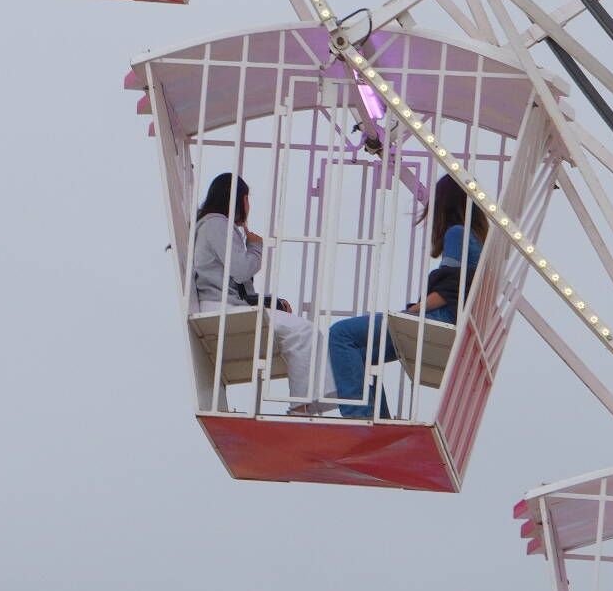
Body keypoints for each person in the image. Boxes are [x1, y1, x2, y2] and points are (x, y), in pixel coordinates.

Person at [328, 177, 488, 421]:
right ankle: (377, 420)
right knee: (358, 356)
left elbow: (451, 289)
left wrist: (414, 311)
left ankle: (357, 418)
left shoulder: (457, 233)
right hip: (458, 325)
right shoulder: (478, 240)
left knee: (341, 335)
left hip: (440, 319)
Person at [192, 173, 331, 416]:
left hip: (222, 302)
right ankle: (302, 407)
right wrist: (256, 246)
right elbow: (241, 269)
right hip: (222, 306)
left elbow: (235, 281)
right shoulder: (217, 224)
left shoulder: (210, 224)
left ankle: (308, 405)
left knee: (302, 332)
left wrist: (267, 301)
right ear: (241, 199)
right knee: (303, 331)